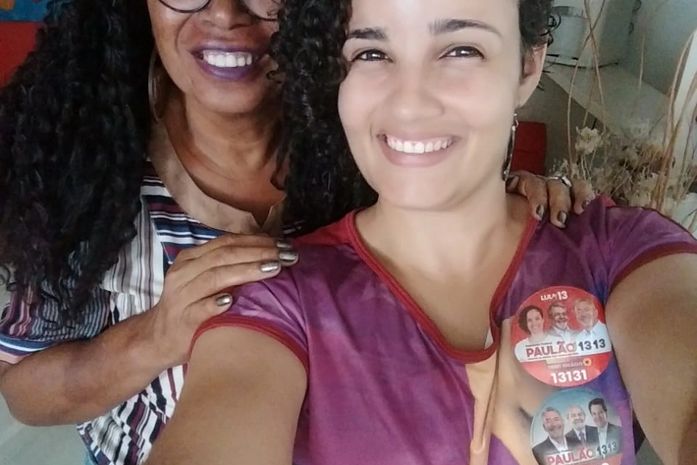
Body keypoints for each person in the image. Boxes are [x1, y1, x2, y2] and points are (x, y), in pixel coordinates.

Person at [0, 1, 588, 464]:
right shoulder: (80, 164)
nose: (224, 13)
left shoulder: (373, 127)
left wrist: (498, 198)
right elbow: (25, 390)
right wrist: (156, 336)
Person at [142, 0, 697, 463]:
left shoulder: (620, 253)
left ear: (528, 66)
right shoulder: (276, 301)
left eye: (460, 50)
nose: (409, 101)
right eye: (372, 53)